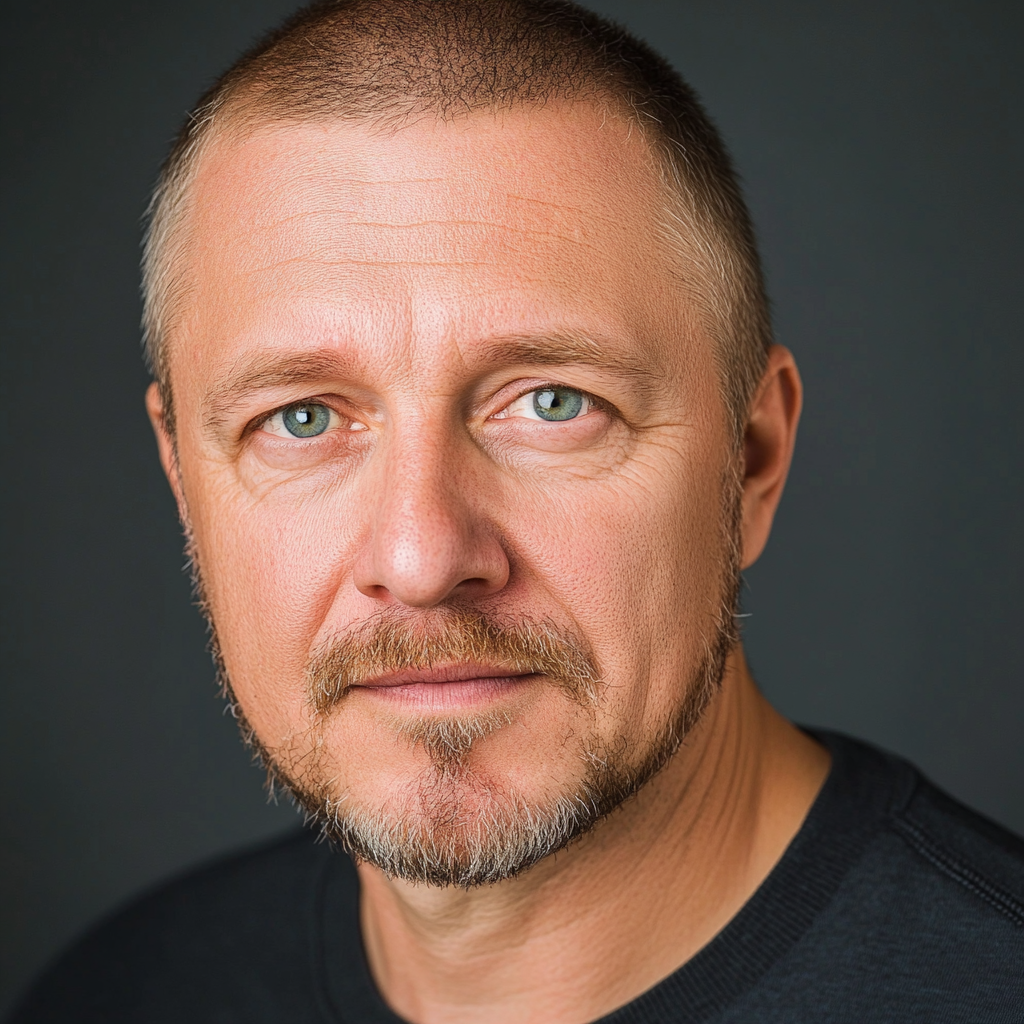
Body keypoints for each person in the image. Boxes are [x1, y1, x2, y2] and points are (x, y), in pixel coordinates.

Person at [10, 1, 1024, 1021]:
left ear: (752, 460)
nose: (420, 557)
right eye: (303, 415)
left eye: (553, 403)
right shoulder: (115, 995)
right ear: (185, 480)